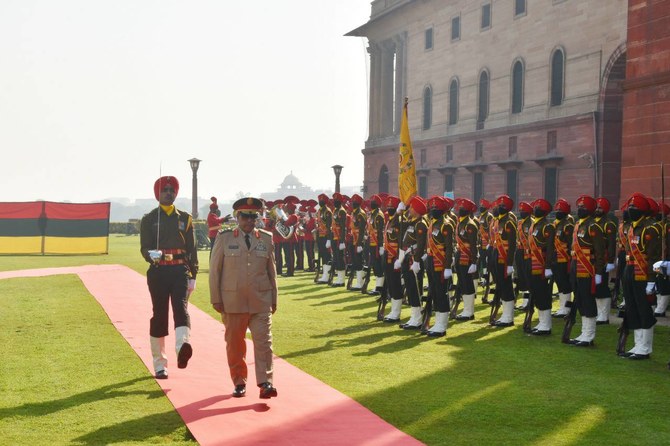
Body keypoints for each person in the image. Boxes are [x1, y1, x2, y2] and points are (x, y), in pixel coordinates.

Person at [209, 197, 278, 398]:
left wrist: (274, 298)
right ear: (237, 217)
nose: (249, 221)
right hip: (233, 301)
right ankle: (239, 381)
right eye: (245, 217)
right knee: (235, 344)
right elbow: (215, 270)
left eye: (253, 217)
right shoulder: (224, 238)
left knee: (264, 342)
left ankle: (266, 382)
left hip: (261, 300)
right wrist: (216, 298)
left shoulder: (265, 238)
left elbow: (271, 271)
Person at [140, 176, 198, 380]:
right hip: (158, 271)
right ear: (157, 193)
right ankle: (160, 364)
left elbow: (192, 249)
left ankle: (182, 347)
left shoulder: (185, 218)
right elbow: (144, 247)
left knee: (181, 308)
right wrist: (150, 255)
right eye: (164, 189)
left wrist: (194, 275)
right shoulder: (149, 219)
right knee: (160, 314)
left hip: (179, 270)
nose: (168, 192)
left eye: (172, 189)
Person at [565, 195, 605, 347]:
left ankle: (589, 335)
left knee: (588, 300)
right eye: (579, 206)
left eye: (583, 207)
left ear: (590, 210)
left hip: (588, 269)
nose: (580, 209)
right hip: (576, 266)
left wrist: (599, 272)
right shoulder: (578, 225)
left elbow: (600, 252)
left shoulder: (593, 227)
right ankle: (583, 332)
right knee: (580, 299)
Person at [527, 198, 556, 335]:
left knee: (543, 294)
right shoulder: (534, 225)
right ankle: (541, 321)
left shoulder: (547, 226)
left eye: (538, 208)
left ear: (544, 212)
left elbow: (550, 248)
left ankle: (546, 325)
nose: (535, 210)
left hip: (542, 264)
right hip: (533, 264)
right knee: (537, 293)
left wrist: (548, 266)